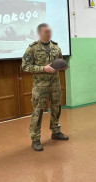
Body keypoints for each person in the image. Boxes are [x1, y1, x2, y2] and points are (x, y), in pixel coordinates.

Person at [22, 23, 69, 151]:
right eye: (45, 31)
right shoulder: (32, 48)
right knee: (38, 112)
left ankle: (55, 131)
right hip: (40, 86)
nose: (48, 33)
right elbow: (25, 66)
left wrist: (63, 66)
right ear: (39, 33)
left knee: (56, 108)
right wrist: (43, 68)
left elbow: (60, 61)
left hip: (55, 85)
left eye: (49, 31)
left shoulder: (56, 47)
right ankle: (35, 139)